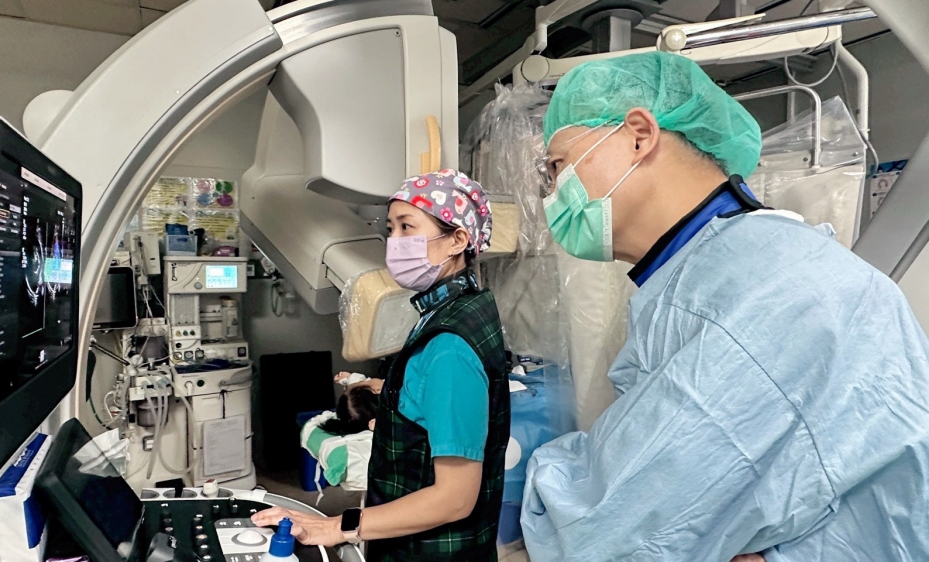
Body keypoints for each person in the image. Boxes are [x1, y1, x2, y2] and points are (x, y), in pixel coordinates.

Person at [521, 51, 929, 561]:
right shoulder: (722, 270)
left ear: (639, 135)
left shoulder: (759, 290)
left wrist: (546, 477)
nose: (552, 192)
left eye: (557, 165)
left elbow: (608, 529)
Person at [254, 170, 510, 561]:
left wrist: (336, 526)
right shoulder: (461, 308)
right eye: (390, 229)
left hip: (431, 553)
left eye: (407, 227)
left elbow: (455, 498)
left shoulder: (450, 347)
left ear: (457, 240)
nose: (394, 241)